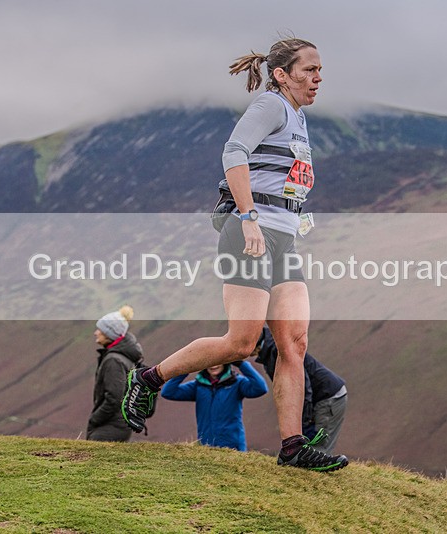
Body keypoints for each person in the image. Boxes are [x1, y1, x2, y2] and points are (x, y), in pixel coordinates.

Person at [122, 37, 348, 471]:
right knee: (242, 343)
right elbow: (234, 152)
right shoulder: (271, 106)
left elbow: (282, 182)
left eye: (321, 71)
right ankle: (149, 379)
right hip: (248, 235)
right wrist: (248, 217)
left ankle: (292, 447)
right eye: (309, 70)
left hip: (283, 241)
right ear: (282, 74)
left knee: (294, 343)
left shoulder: (298, 118)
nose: (318, 78)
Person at [254, 326, 347, 454]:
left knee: (318, 450)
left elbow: (301, 385)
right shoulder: (271, 351)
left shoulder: (278, 350)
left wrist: (305, 419)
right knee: (310, 447)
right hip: (322, 396)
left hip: (328, 397)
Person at [160, 361, 268, 451]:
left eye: (218, 361)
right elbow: (168, 392)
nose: (213, 365)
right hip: (206, 447)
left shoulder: (237, 383)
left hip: (233, 446)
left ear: (226, 362)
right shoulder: (198, 386)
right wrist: (187, 368)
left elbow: (261, 388)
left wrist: (241, 364)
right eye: (210, 361)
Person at [86, 305, 144, 442]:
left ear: (109, 333)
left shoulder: (114, 361)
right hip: (119, 424)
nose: (96, 333)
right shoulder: (122, 357)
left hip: (111, 426)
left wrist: (95, 419)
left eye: (100, 329)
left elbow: (114, 398)